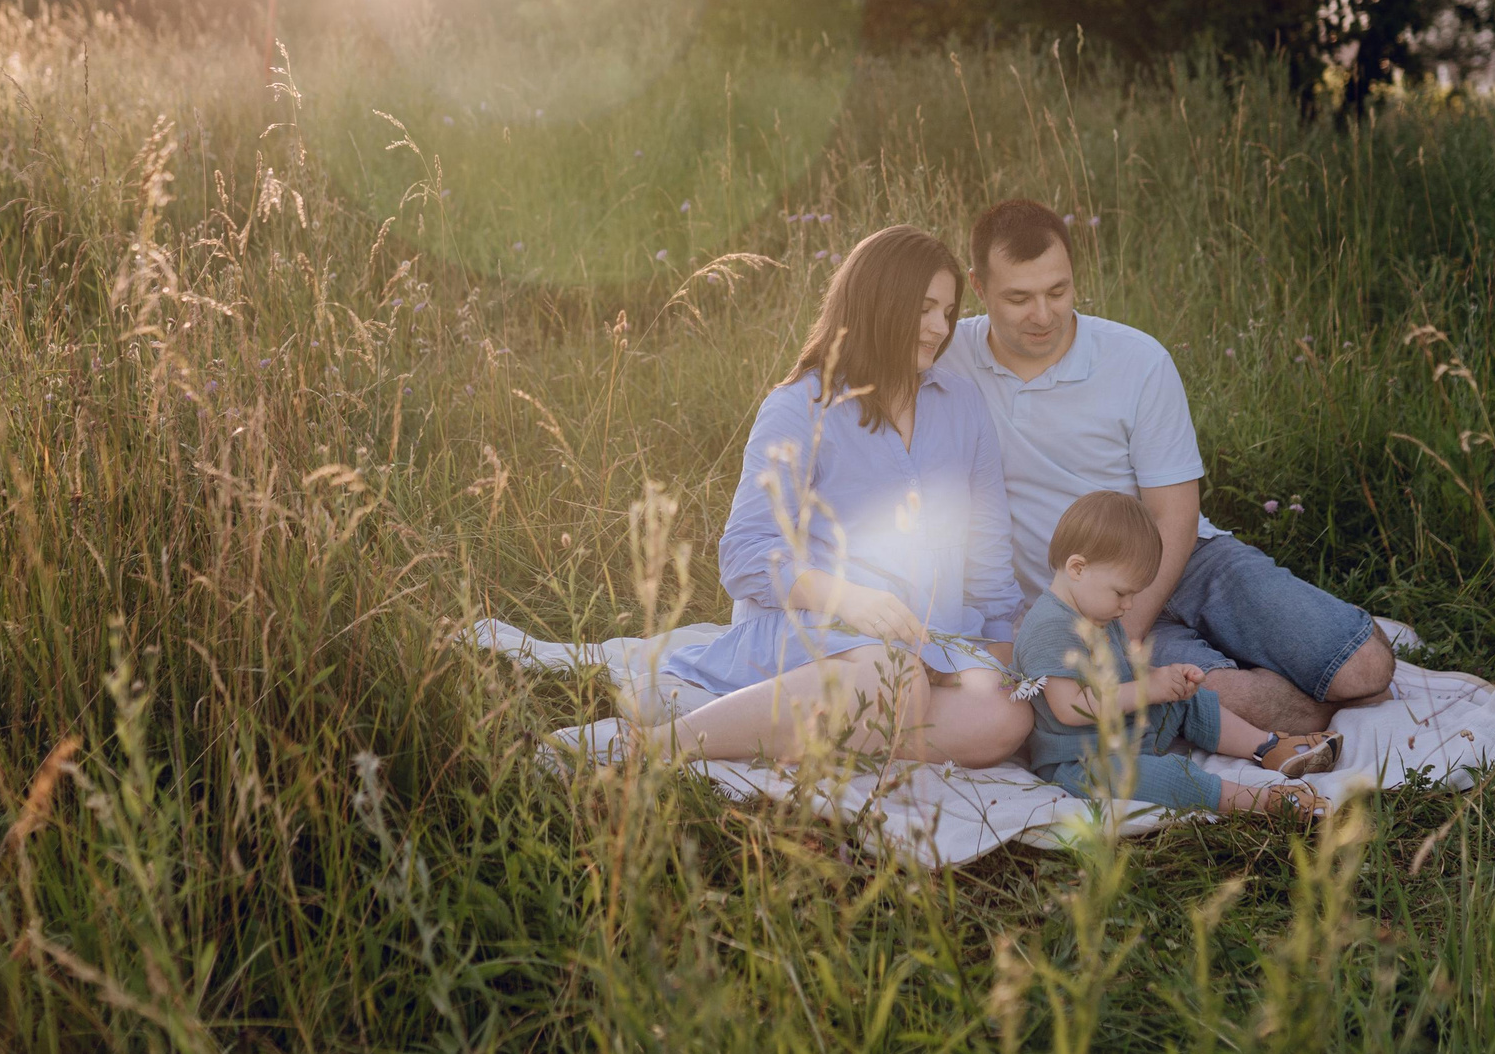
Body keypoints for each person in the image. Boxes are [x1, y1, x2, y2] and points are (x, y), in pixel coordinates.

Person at [575, 225, 1032, 766]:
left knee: (1004, 717)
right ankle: (667, 744)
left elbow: (987, 555)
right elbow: (746, 553)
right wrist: (851, 600)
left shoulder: (963, 406)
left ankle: (827, 729)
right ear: (878, 303)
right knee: (893, 681)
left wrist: (988, 662)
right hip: (812, 630)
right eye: (925, 308)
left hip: (927, 645)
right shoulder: (801, 406)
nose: (940, 327)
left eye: (949, 312)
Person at [944, 198, 1395, 736]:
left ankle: (1309, 651)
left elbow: (1174, 514)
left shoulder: (1137, 360)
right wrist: (1108, 637)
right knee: (1245, 703)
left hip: (1187, 559)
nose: (1042, 315)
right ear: (978, 286)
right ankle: (1271, 676)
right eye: (1019, 298)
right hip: (1079, 600)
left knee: (1366, 668)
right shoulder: (947, 357)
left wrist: (1124, 633)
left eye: (1057, 291)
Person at [1016, 491, 1337, 818]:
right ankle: (1265, 801)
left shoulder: (1097, 612)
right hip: (1083, 760)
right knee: (1168, 777)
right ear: (1078, 568)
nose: (1129, 605)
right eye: (1121, 592)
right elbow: (1071, 708)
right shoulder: (1050, 627)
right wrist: (1146, 690)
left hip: (1125, 731)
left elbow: (1122, 672)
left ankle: (1269, 747)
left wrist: (1160, 678)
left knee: (1188, 699)